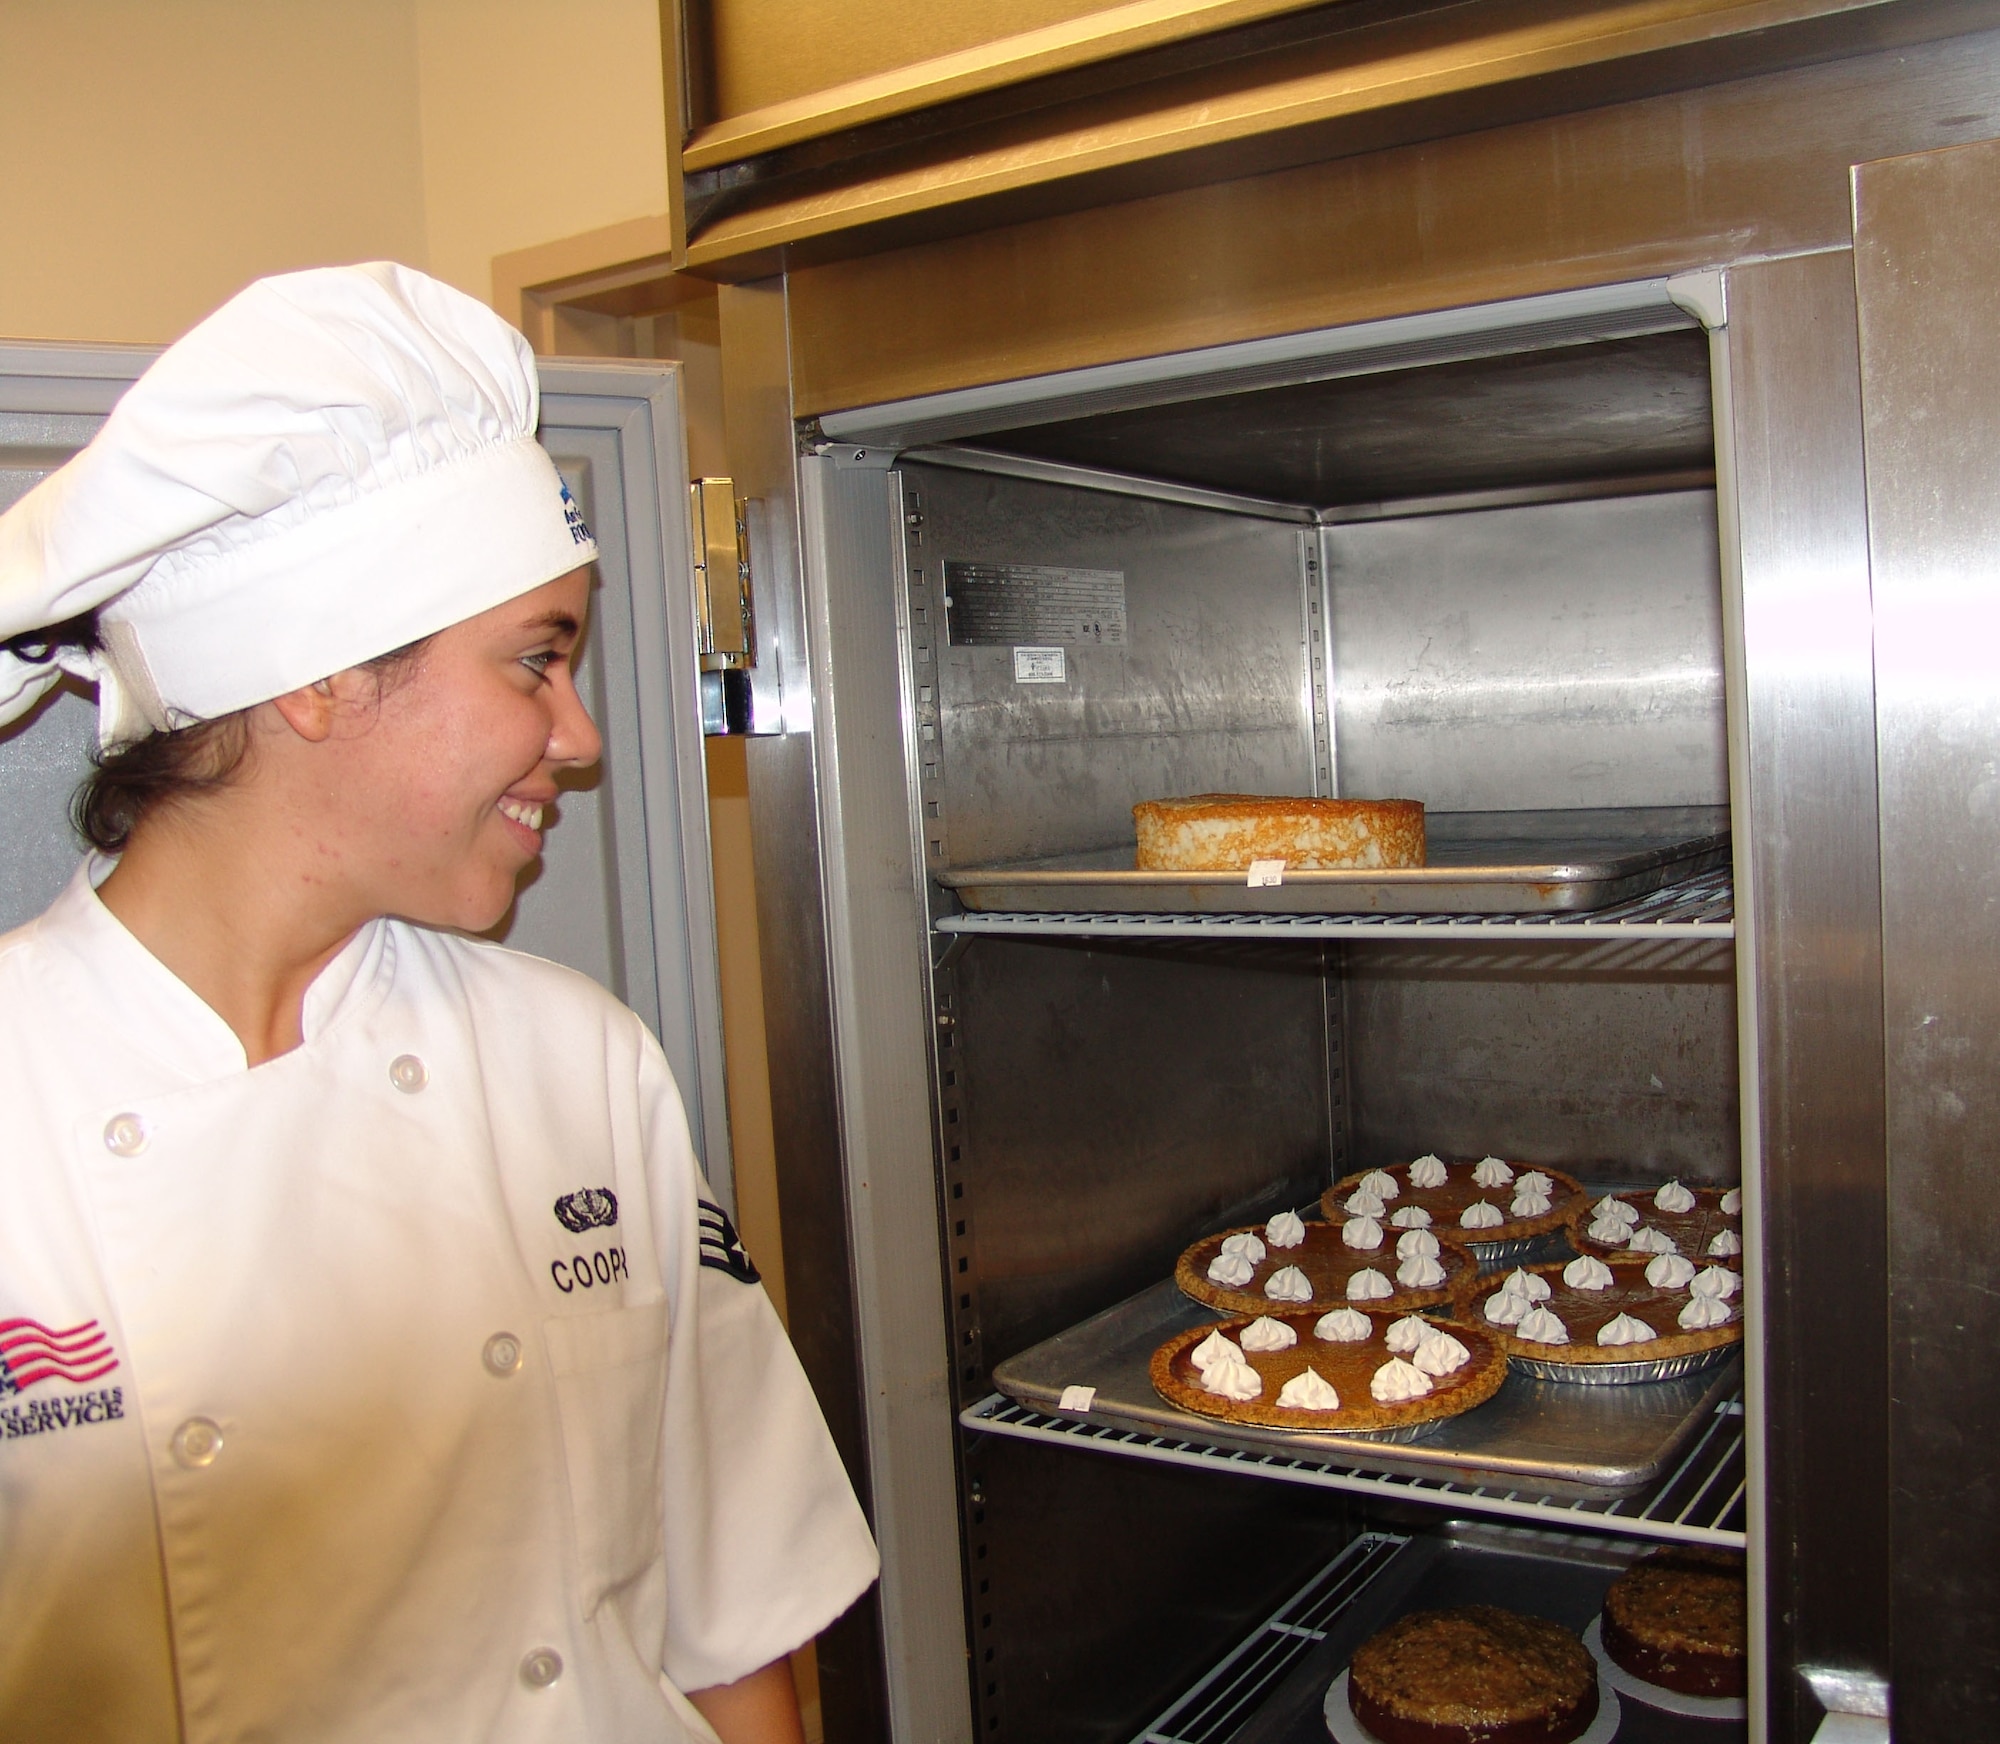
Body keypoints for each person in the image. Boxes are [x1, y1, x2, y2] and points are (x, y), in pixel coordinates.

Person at [0, 263, 877, 1743]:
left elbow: (736, 1624)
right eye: (539, 659)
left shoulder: (574, 1062)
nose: (583, 738)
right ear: (320, 678)